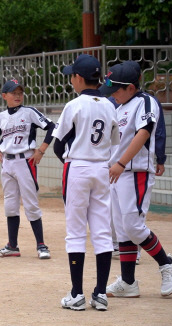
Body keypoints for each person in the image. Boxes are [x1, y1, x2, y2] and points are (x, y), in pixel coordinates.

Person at [100, 62, 172, 298]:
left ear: (132, 87)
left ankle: (167, 264)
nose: (113, 94)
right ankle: (128, 282)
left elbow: (144, 132)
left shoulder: (145, 102)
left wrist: (122, 162)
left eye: (116, 89)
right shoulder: (118, 106)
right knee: (123, 230)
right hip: (116, 174)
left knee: (134, 226)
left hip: (135, 172)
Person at [52, 54, 120, 311]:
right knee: (102, 231)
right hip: (101, 169)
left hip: (77, 167)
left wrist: (72, 163)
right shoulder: (109, 105)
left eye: (72, 76)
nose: (71, 80)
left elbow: (59, 145)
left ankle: (76, 294)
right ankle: (100, 294)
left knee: (76, 231)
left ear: (79, 78)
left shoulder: (74, 105)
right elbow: (114, 140)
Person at [0, 79, 54, 259]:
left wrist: (41, 150)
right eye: (13, 93)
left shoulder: (29, 112)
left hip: (25, 161)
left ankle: (41, 245)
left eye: (20, 92)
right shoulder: (1, 116)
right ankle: (12, 246)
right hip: (7, 162)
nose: (18, 96)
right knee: (10, 205)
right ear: (4, 96)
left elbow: (51, 127)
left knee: (31, 204)